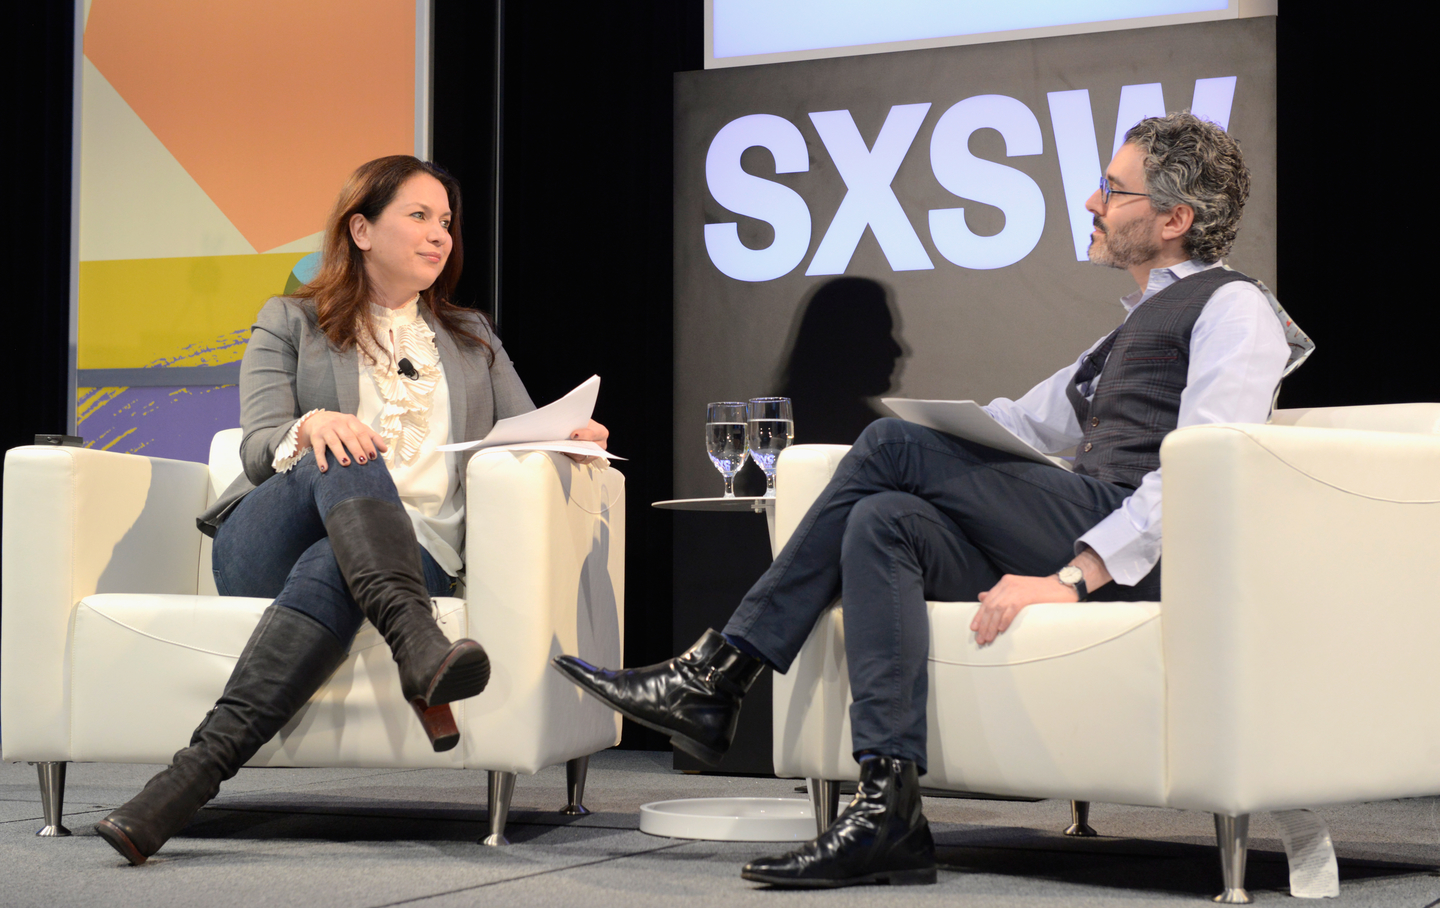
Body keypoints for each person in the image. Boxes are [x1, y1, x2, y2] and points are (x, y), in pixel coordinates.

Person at [553, 112, 1307, 888]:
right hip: (1079, 514)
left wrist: (1074, 576)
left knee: (887, 448)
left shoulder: (1235, 310)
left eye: (1114, 190)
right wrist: (940, 433)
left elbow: (1206, 470)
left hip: (1130, 551)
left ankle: (718, 675)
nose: (1091, 201)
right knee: (884, 522)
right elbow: (1021, 422)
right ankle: (889, 811)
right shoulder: (1134, 325)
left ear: (1176, 218)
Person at [95, 155, 608, 866]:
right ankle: (417, 642)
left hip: (413, 549)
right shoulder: (290, 320)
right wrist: (312, 427)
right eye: (420, 217)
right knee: (349, 448)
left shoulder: (470, 338)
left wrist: (570, 434)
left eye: (448, 224)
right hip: (268, 538)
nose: (440, 237)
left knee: (338, 563)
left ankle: (186, 782)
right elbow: (257, 445)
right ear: (361, 229)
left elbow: (526, 429)